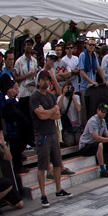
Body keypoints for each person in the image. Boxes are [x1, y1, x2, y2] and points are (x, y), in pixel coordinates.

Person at [30, 70, 71, 207]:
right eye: (43, 79)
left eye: (48, 79)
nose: (46, 81)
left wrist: (48, 112)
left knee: (57, 163)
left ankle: (58, 189)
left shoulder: (50, 96)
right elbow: (40, 116)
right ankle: (43, 194)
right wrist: (50, 112)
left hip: (52, 132)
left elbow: (57, 115)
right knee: (42, 165)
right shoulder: (35, 97)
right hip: (42, 134)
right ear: (38, 81)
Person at [79, 103, 108, 178]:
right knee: (100, 144)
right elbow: (96, 138)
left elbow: (107, 135)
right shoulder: (93, 121)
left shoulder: (103, 121)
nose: (104, 113)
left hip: (94, 144)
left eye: (105, 112)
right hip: (85, 146)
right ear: (97, 110)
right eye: (102, 111)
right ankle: (102, 170)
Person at [57, 82, 83, 147]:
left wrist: (72, 96)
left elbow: (79, 109)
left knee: (78, 141)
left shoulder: (76, 97)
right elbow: (57, 108)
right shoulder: (60, 98)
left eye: (69, 88)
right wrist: (63, 94)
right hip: (67, 126)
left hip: (76, 126)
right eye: (66, 88)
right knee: (70, 142)